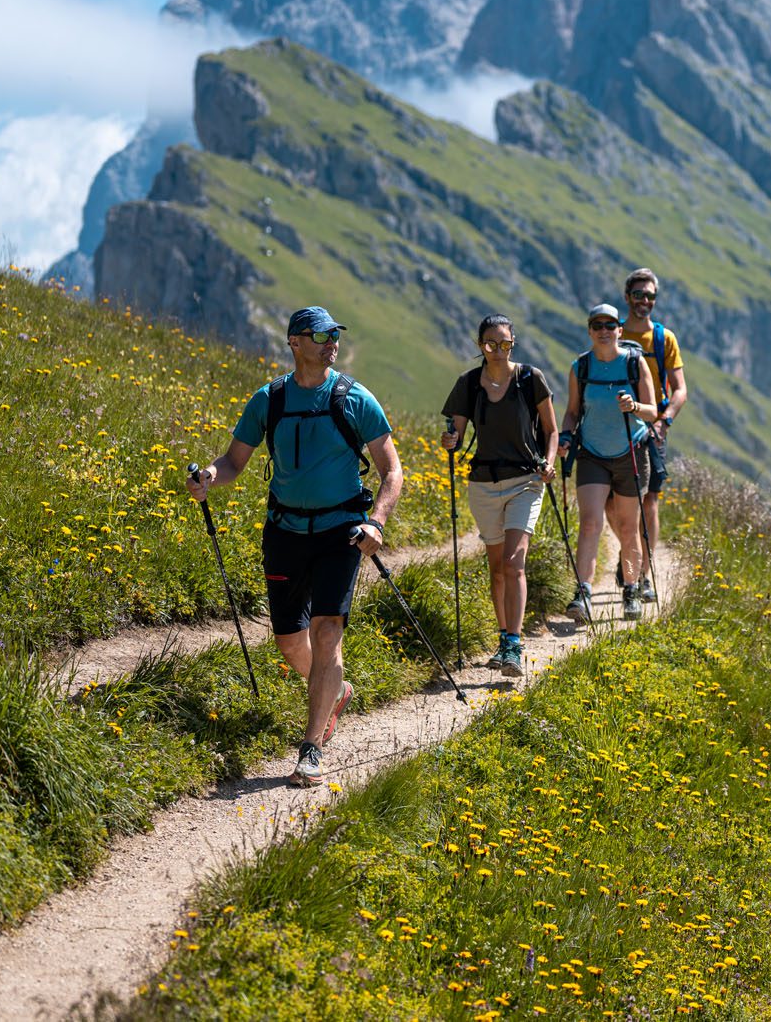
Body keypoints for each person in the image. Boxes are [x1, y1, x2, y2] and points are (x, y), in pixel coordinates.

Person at [188, 305, 402, 788]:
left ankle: (311, 746)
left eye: (335, 334)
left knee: (328, 632)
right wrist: (208, 477)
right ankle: (334, 691)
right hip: (283, 531)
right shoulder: (270, 399)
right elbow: (234, 461)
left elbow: (392, 470)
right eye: (322, 334)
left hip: (341, 532)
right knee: (289, 640)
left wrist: (376, 523)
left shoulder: (355, 399)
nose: (333, 341)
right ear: (295, 342)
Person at [438, 314, 560, 678]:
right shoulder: (469, 383)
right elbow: (455, 435)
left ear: (513, 343)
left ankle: (512, 643)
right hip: (484, 484)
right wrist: (450, 441)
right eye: (491, 343)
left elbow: (552, 430)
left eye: (504, 343)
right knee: (496, 569)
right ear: (480, 345)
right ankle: (503, 637)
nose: (497, 349)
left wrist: (549, 463)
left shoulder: (529, 378)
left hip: (525, 480)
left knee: (513, 562)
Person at [560, 303, 660, 622]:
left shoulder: (634, 362)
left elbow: (653, 411)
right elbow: (573, 410)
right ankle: (583, 591)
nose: (603, 331)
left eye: (609, 325)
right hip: (592, 452)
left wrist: (634, 406)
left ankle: (631, 588)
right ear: (590, 330)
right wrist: (565, 435)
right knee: (590, 522)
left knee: (629, 526)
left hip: (630, 450)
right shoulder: (581, 367)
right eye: (597, 325)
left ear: (619, 329)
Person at [615, 267, 687, 605]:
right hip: (614, 425)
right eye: (639, 294)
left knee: (649, 500)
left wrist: (665, 421)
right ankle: (628, 553)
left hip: (652, 427)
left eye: (650, 296)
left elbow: (680, 389)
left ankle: (643, 573)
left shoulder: (663, 339)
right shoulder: (611, 332)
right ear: (627, 296)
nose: (645, 301)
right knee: (611, 501)